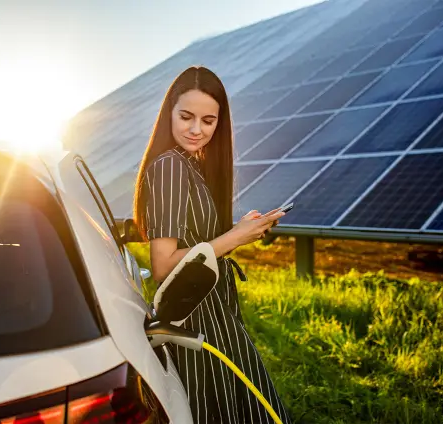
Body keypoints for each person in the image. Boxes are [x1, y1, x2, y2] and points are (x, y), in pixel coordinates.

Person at [132, 65, 291, 424]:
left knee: (237, 406)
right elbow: (162, 264)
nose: (196, 129)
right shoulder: (170, 166)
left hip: (212, 307)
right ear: (168, 113)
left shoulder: (192, 165)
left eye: (208, 120)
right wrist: (234, 237)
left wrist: (241, 231)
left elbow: (200, 245)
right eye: (186, 116)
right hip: (197, 314)